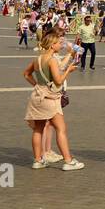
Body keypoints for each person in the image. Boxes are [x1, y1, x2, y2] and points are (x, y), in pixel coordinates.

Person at [22, 30, 84, 171]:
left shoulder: (38, 59)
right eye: (57, 43)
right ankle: (68, 161)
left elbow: (26, 74)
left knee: (38, 129)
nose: (60, 45)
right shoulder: (51, 61)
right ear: (51, 45)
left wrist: (37, 85)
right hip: (50, 99)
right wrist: (69, 70)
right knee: (61, 129)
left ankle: (38, 160)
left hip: (37, 96)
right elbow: (58, 80)